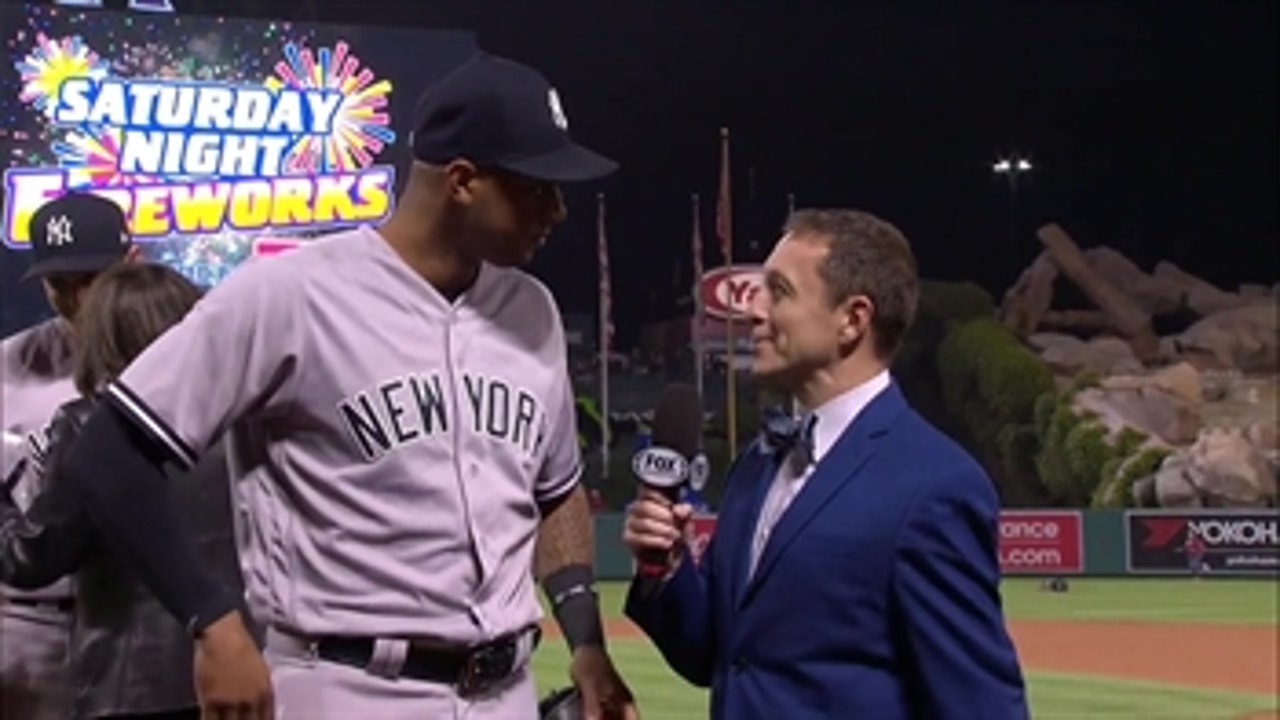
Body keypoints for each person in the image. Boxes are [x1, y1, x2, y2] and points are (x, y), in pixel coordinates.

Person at [60, 52, 637, 720]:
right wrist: (211, 620)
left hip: (503, 691)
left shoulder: (531, 310)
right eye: (538, 187)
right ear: (461, 182)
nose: (558, 210)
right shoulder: (290, 295)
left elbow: (555, 490)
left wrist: (587, 644)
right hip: (345, 686)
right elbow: (108, 452)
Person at [622, 209, 1029, 719]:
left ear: (853, 319)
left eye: (780, 291)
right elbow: (722, 660)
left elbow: (980, 706)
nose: (752, 311)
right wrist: (667, 567)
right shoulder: (758, 461)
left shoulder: (935, 484)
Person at [1, 262, 250, 720]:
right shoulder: (241, 416)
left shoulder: (93, 424)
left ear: (104, 336)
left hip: (130, 683)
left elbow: (30, 558)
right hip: (240, 669)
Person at [0, 192, 138, 720]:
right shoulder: (10, 366)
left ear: (132, 262)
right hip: (31, 625)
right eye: (60, 283)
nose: (78, 298)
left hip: (140, 619)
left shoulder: (180, 354)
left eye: (91, 278)